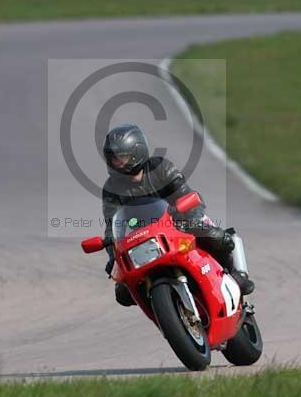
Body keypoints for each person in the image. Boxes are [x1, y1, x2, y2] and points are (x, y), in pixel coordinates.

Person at [101, 124, 254, 307]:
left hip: (179, 221)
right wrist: (113, 254)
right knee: (122, 292)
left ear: (137, 152)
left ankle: (237, 276)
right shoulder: (111, 188)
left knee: (218, 238)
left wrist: (190, 216)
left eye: (122, 157)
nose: (117, 162)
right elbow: (112, 225)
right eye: (114, 158)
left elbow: (186, 194)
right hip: (142, 239)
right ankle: (163, 307)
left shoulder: (161, 168)